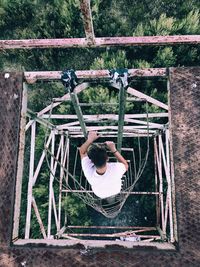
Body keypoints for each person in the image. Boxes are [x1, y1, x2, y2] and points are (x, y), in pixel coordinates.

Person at [79, 131, 128, 199]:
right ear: (107, 159)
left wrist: (113, 149)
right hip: (102, 192)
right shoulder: (115, 168)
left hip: (106, 192)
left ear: (92, 161)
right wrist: (90, 139)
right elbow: (81, 152)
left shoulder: (116, 169)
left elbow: (126, 166)